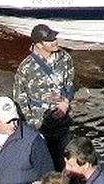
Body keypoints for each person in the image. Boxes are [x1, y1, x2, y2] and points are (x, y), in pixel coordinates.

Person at [14, 23, 76, 170]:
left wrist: (65, 103)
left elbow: (70, 85)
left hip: (63, 124)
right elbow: (20, 100)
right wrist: (33, 124)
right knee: (45, 168)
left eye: (54, 38)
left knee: (69, 166)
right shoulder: (26, 68)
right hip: (40, 128)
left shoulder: (65, 58)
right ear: (39, 45)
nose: (55, 42)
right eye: (50, 40)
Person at [0, 96, 55, 184]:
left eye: (15, 119)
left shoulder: (33, 140)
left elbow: (49, 176)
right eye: (8, 121)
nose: (14, 125)